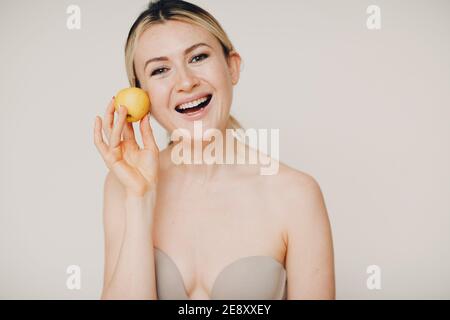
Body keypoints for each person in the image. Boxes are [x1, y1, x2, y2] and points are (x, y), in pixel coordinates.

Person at [93, 0, 335, 300]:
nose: (185, 81)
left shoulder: (297, 194)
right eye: (160, 70)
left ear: (231, 66)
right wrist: (140, 199)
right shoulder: (125, 185)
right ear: (142, 94)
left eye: (197, 57)